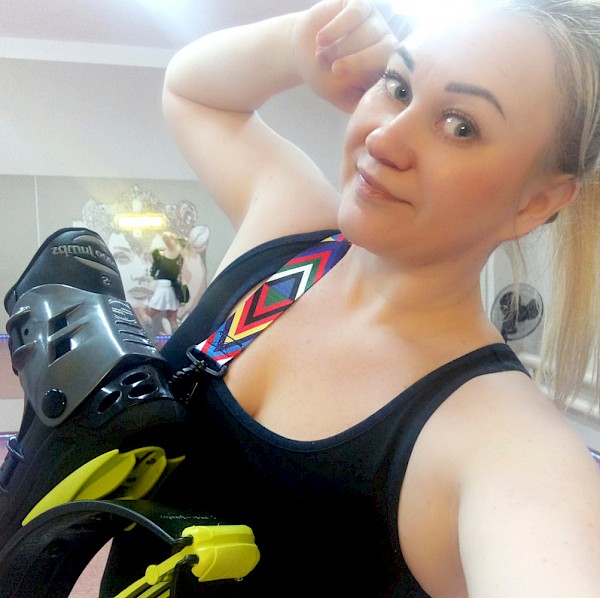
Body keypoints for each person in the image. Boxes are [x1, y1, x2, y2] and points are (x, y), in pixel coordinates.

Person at [100, 0, 600, 595]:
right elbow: (193, 92)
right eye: (399, 86)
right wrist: (302, 42)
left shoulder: (502, 441)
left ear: (537, 202)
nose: (385, 138)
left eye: (460, 126)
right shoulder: (286, 241)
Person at [147, 231, 186, 334]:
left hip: (165, 287)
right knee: (171, 317)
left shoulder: (174, 252)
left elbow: (165, 236)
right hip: (168, 287)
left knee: (150, 313)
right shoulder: (174, 255)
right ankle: (176, 337)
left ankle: (146, 334)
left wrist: (174, 237)